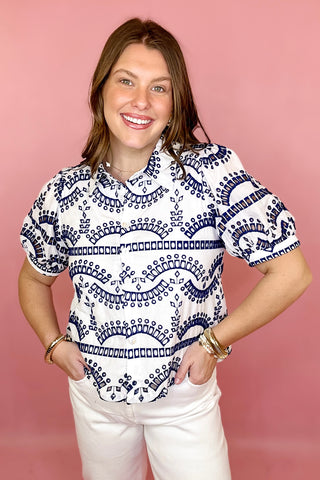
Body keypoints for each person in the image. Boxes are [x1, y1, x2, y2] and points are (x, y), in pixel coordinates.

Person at [18, 17, 311, 480]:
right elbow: (34, 277)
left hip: (181, 398)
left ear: (176, 105)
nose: (140, 101)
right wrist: (53, 344)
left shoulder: (210, 175)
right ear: (101, 91)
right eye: (126, 81)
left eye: (160, 88)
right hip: (94, 398)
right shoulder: (63, 193)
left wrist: (216, 340)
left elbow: (292, 273)